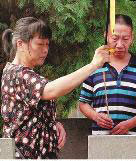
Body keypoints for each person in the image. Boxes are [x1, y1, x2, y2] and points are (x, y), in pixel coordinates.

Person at [1, 17, 109, 159]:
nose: (45, 50)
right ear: (20, 44)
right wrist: (93, 65)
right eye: (40, 44)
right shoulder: (16, 74)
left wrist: (52, 123)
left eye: (47, 44)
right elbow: (51, 90)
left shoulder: (22, 73)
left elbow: (28, 113)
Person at [79, 14, 136, 135]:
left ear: (132, 38)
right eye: (115, 38)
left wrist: (130, 124)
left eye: (125, 39)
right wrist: (96, 116)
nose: (120, 45)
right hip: (100, 143)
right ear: (106, 36)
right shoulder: (95, 67)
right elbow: (83, 103)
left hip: (135, 141)